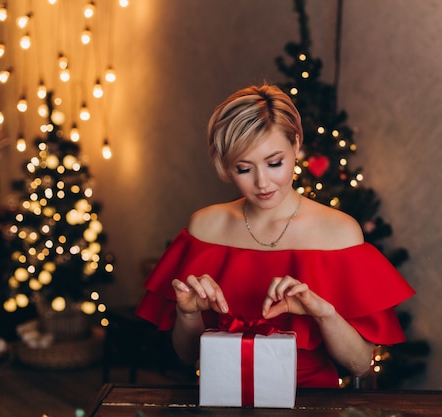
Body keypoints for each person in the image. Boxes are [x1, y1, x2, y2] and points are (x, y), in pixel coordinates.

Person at [135, 83, 415, 388]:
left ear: (296, 145)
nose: (262, 182)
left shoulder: (339, 232)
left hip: (311, 406)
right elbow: (187, 355)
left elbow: (361, 365)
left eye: (274, 163)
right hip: (223, 402)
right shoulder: (204, 228)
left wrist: (323, 314)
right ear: (227, 167)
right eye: (244, 169)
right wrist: (187, 314)